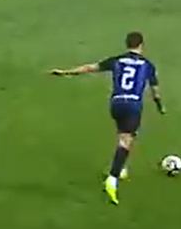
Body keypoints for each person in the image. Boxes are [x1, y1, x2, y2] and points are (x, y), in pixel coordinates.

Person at [51, 32, 165, 205]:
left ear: (127, 44)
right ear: (142, 45)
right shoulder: (148, 65)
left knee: (124, 136)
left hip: (116, 103)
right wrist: (160, 106)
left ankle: (121, 169)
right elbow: (155, 91)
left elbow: (90, 68)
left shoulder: (117, 60)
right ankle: (112, 180)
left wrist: (65, 72)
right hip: (133, 104)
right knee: (125, 141)